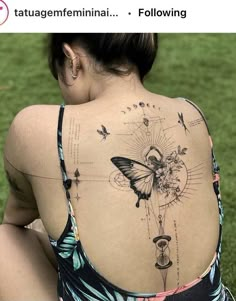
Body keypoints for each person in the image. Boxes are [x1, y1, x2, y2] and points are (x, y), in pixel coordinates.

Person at [0, 33, 234, 301]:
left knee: (6, 240)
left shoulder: (37, 127)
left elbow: (17, 216)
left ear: (71, 59)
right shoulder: (191, 113)